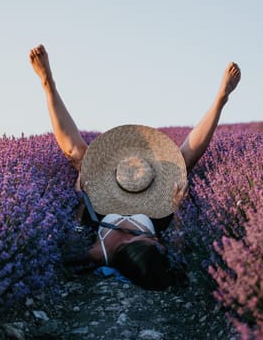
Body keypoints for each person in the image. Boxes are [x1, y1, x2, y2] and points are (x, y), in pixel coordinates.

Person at [29, 44, 241, 290]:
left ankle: (47, 84)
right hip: (152, 204)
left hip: (105, 200)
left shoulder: (102, 253)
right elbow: (178, 245)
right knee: (182, 163)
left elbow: (68, 255)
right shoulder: (157, 250)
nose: (160, 244)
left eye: (154, 245)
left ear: (130, 248)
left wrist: (80, 199)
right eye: (159, 247)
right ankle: (220, 100)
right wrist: (178, 207)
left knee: (77, 156)